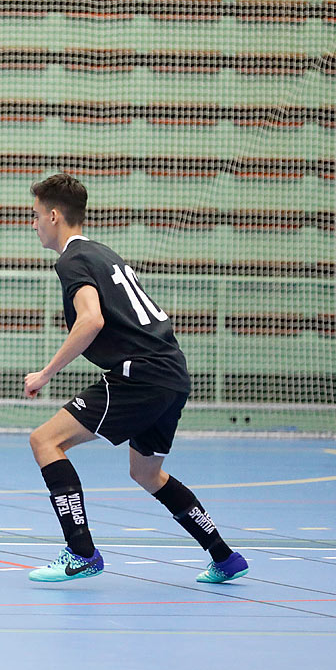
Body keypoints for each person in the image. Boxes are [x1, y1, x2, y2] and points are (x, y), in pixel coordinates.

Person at [22, 172, 247, 584]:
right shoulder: (104, 254)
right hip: (172, 374)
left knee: (45, 441)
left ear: (54, 216)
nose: (33, 223)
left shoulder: (71, 260)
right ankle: (224, 555)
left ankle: (81, 552)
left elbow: (91, 320)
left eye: (35, 215)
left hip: (139, 376)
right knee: (145, 473)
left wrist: (46, 373)